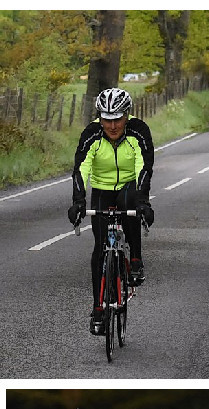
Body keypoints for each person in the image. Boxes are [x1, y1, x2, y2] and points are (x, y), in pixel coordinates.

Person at [68, 87, 154, 336]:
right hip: (102, 189)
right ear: (99, 117)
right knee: (99, 248)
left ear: (127, 115)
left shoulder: (139, 131)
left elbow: (144, 166)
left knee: (131, 206)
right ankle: (98, 308)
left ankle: (135, 259)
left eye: (117, 118)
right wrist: (78, 201)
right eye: (107, 119)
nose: (113, 125)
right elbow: (81, 169)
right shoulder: (91, 134)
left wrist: (144, 202)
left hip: (129, 185)